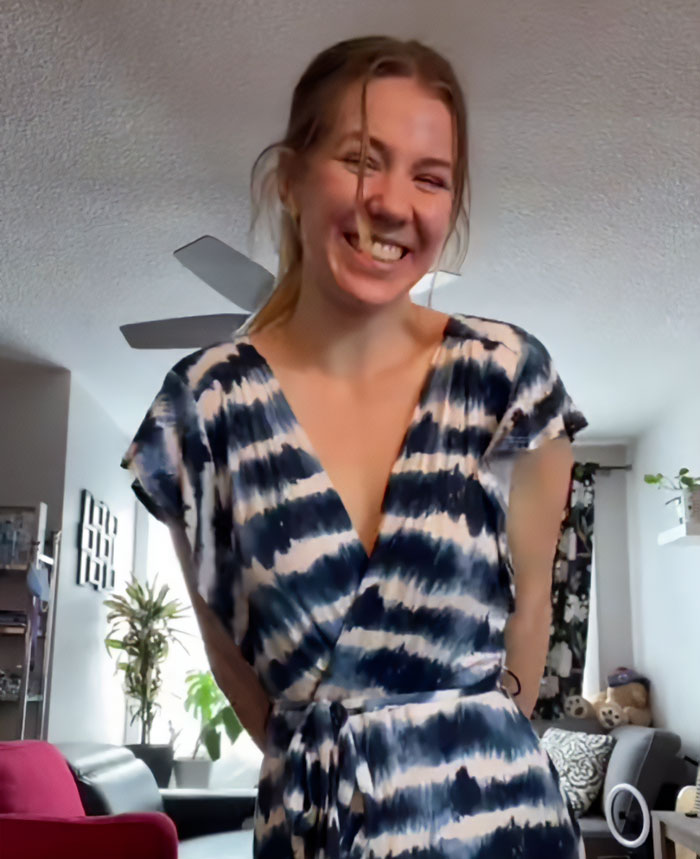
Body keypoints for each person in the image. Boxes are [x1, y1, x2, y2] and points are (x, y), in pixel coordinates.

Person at [122, 35, 588, 859]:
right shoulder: (201, 407)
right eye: (362, 160)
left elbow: (532, 612)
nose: (393, 203)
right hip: (314, 825)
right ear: (290, 178)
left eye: (430, 177)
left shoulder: (510, 376)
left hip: (502, 818)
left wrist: (471, 747)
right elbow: (226, 652)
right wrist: (321, 758)